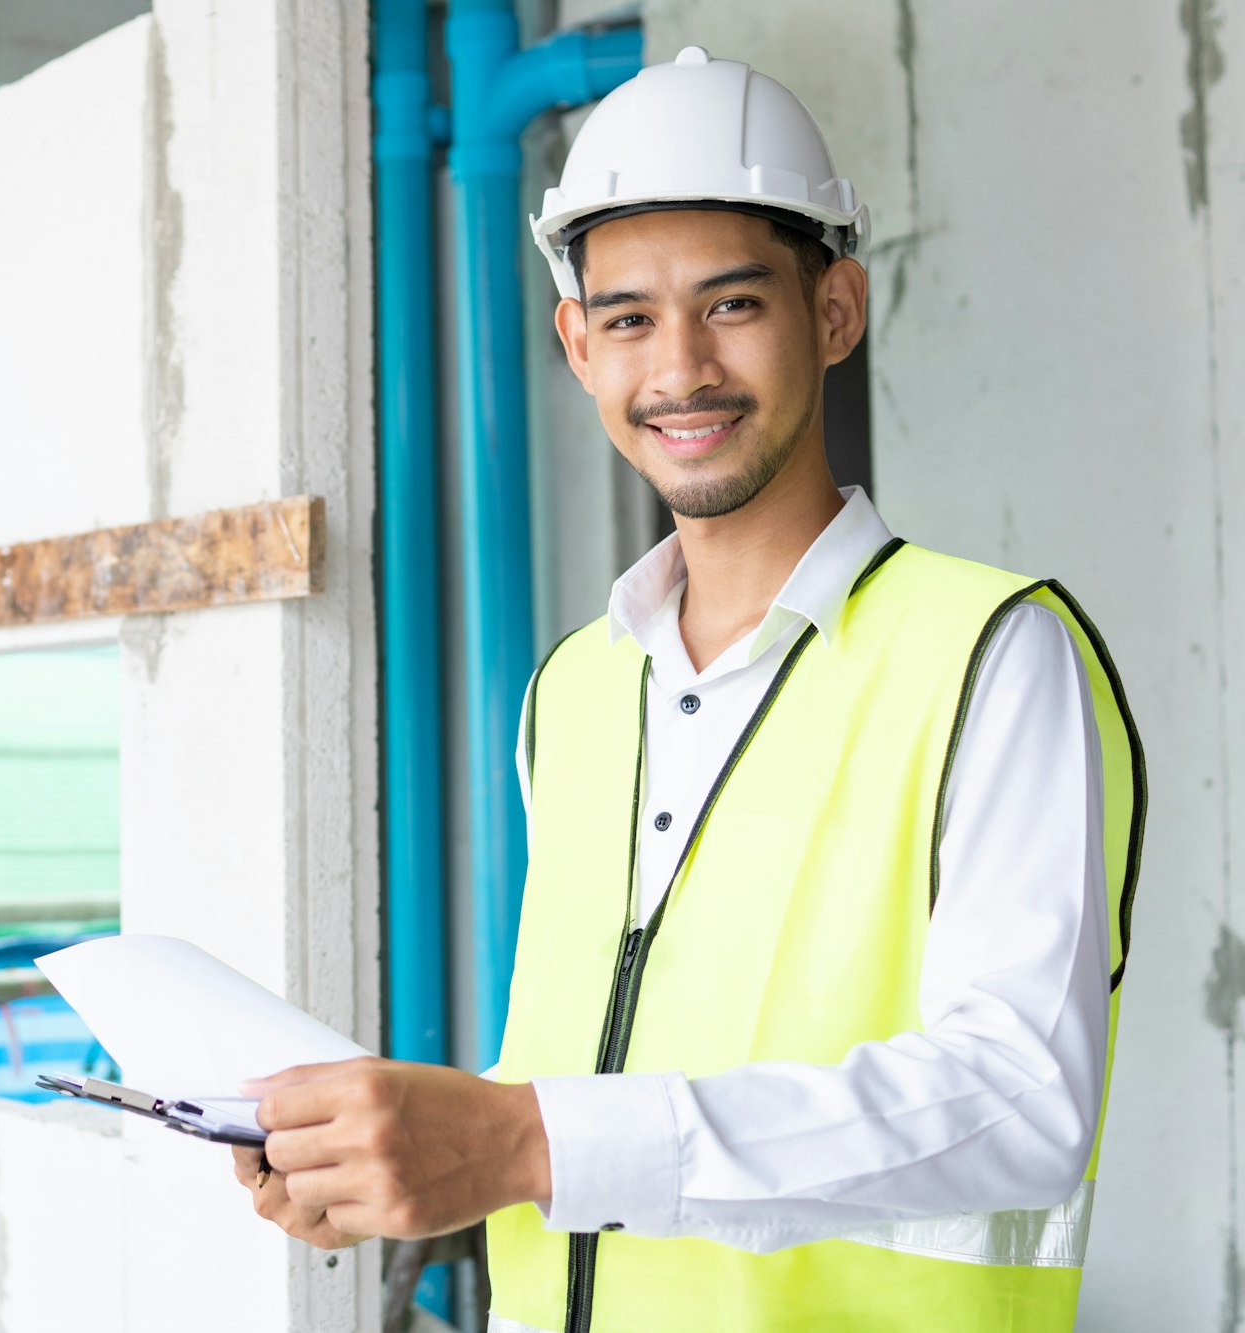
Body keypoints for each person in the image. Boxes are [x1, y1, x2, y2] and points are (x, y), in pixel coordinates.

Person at [230, 46, 1143, 1333]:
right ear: (574, 344)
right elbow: (588, 1064)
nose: (678, 371)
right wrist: (409, 1156)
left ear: (833, 310)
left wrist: (525, 1140)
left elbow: (1017, 1098)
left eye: (731, 305)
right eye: (627, 319)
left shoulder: (990, 653)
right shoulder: (572, 688)